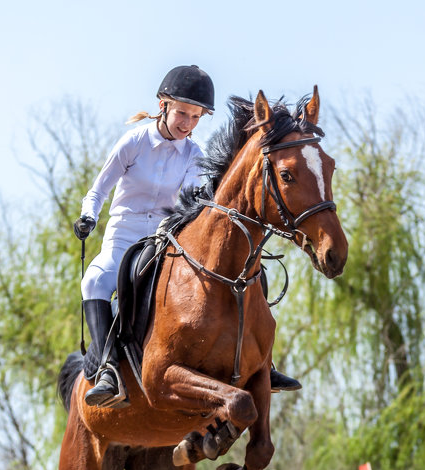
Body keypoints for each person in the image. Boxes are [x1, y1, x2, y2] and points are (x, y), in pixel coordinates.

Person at [72, 65, 300, 409]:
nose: (188, 124)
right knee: (94, 281)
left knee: (249, 272)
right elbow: (99, 189)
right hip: (123, 237)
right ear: (163, 105)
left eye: (196, 117)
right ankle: (107, 370)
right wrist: (88, 216)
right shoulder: (133, 142)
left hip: (164, 237)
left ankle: (264, 364)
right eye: (182, 114)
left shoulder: (193, 154)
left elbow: (192, 196)